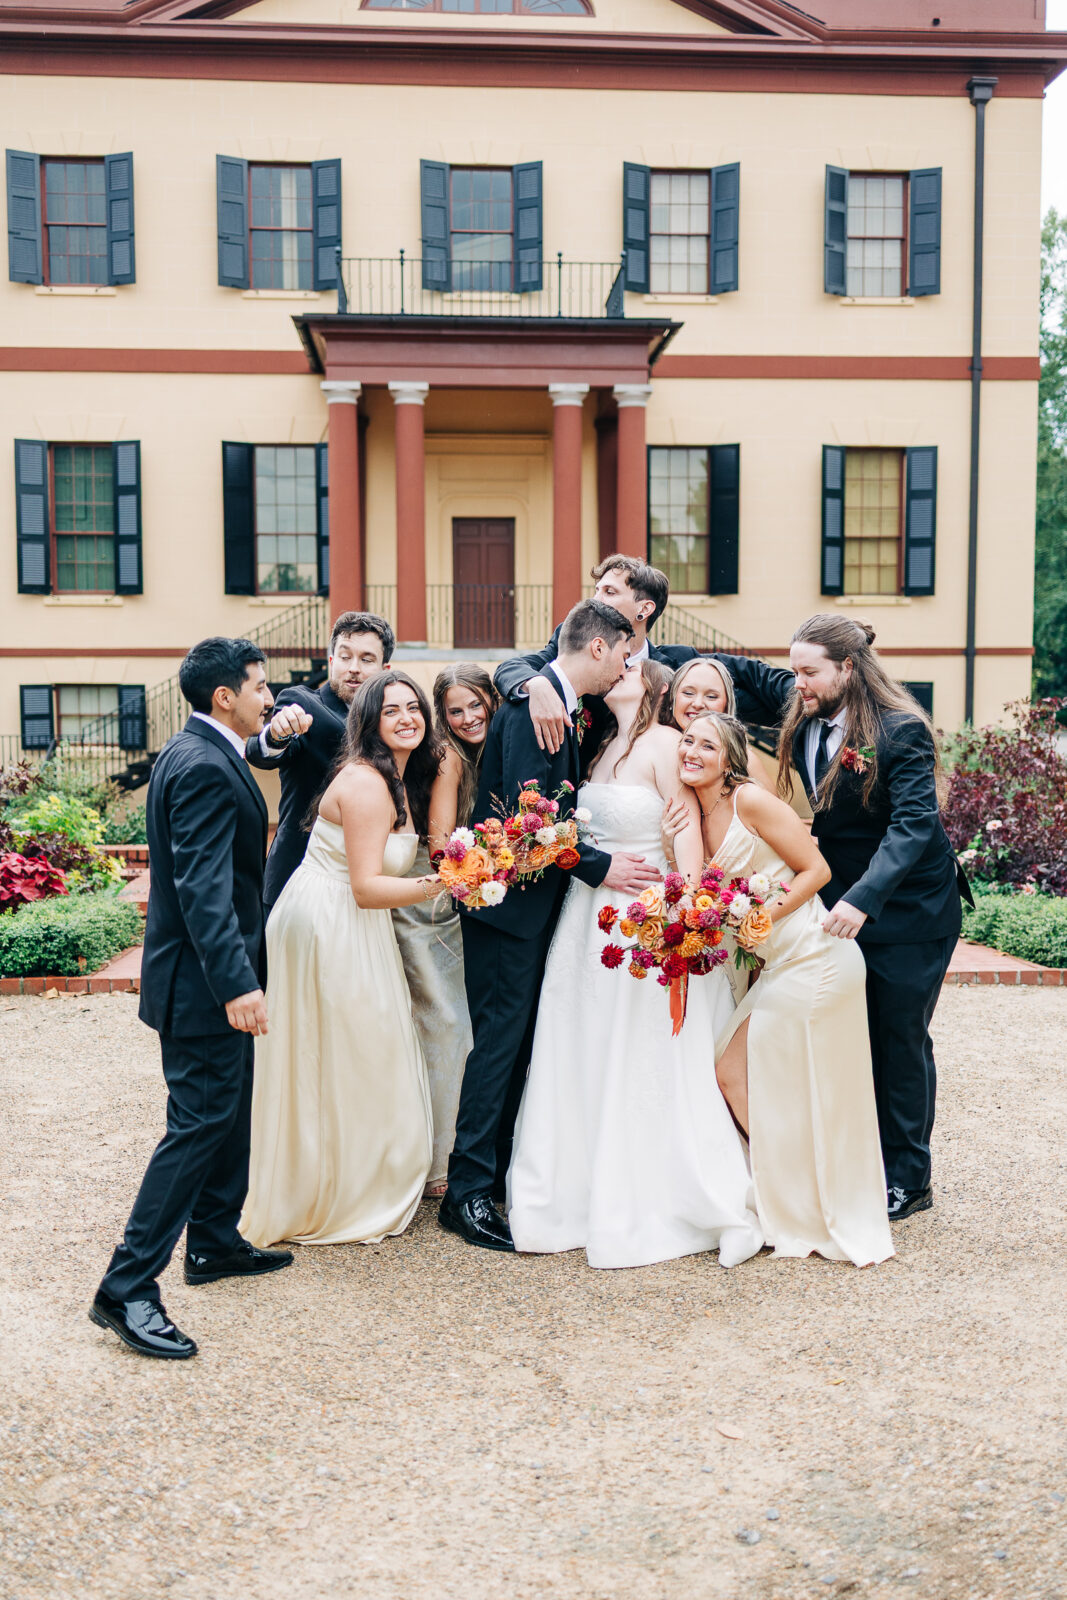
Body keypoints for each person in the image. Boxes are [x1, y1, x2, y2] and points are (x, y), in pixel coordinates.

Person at [711, 617, 972, 1222]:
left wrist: (862, 898)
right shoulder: (807, 700)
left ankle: (910, 1177)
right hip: (841, 900)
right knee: (848, 1033)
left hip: (909, 909)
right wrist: (641, 646)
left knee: (898, 1038)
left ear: (847, 669)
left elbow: (913, 826)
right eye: (795, 669)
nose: (796, 682)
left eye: (808, 671)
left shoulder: (901, 731)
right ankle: (858, 1160)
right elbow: (745, 674)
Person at [508, 660, 763, 1270]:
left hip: (644, 917)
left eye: (628, 665)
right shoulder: (597, 743)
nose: (615, 670)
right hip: (585, 918)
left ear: (651, 685)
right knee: (583, 1041)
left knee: (639, 1047)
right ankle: (575, 1191)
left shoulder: (667, 744)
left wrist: (684, 911)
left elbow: (685, 834)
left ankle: (654, 1191)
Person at [90, 638, 295, 1361]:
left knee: (227, 1111)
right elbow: (204, 890)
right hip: (203, 985)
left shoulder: (200, 751)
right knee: (198, 1124)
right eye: (260, 686)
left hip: (198, 978)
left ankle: (211, 1241)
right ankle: (126, 1288)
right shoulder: (206, 768)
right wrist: (238, 982)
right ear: (224, 697)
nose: (270, 698)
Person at [440, 599, 662, 1253]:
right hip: (508, 912)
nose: (630, 662)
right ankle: (467, 1193)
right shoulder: (535, 712)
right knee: (497, 1047)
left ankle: (497, 1173)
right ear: (599, 647)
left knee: (511, 1046)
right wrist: (602, 867)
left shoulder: (556, 705)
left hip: (521, 909)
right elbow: (524, 828)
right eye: (625, 651)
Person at [674, 711, 894, 1268]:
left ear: (729, 758)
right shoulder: (692, 816)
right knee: (740, 1071)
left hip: (818, 957)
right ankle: (790, 1194)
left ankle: (805, 1204)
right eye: (687, 742)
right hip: (777, 967)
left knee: (741, 1071)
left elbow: (815, 869)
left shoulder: (749, 800)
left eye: (706, 745)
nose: (692, 752)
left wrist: (762, 918)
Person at [240, 672, 440, 1248]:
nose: (406, 718)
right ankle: (338, 1186)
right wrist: (444, 882)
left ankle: (344, 1172)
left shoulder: (395, 777)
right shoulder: (369, 784)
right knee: (350, 1046)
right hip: (331, 921)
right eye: (391, 711)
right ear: (369, 722)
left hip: (344, 918)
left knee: (345, 1047)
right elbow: (366, 888)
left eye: (413, 708)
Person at [390, 665, 499, 1196]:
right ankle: (440, 1160)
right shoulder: (449, 757)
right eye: (455, 710)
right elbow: (441, 845)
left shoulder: (497, 745)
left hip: (471, 895)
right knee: (447, 1020)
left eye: (475, 704)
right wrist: (486, 872)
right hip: (440, 898)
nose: (468, 717)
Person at [246, 610, 396, 915]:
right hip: (298, 885)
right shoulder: (301, 703)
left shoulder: (395, 720)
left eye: (366, 660)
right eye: (344, 657)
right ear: (331, 662)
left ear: (385, 669)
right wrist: (276, 734)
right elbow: (260, 752)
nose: (353, 669)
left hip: (370, 890)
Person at [494, 555, 700, 762]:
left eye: (609, 592)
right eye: (597, 590)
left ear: (644, 609)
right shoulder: (578, 643)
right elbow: (511, 667)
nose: (595, 600)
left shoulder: (678, 662)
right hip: (583, 782)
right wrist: (537, 684)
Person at [663, 656, 773, 791]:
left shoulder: (747, 760)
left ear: (726, 705)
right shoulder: (655, 742)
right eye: (688, 693)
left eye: (711, 697)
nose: (698, 704)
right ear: (673, 698)